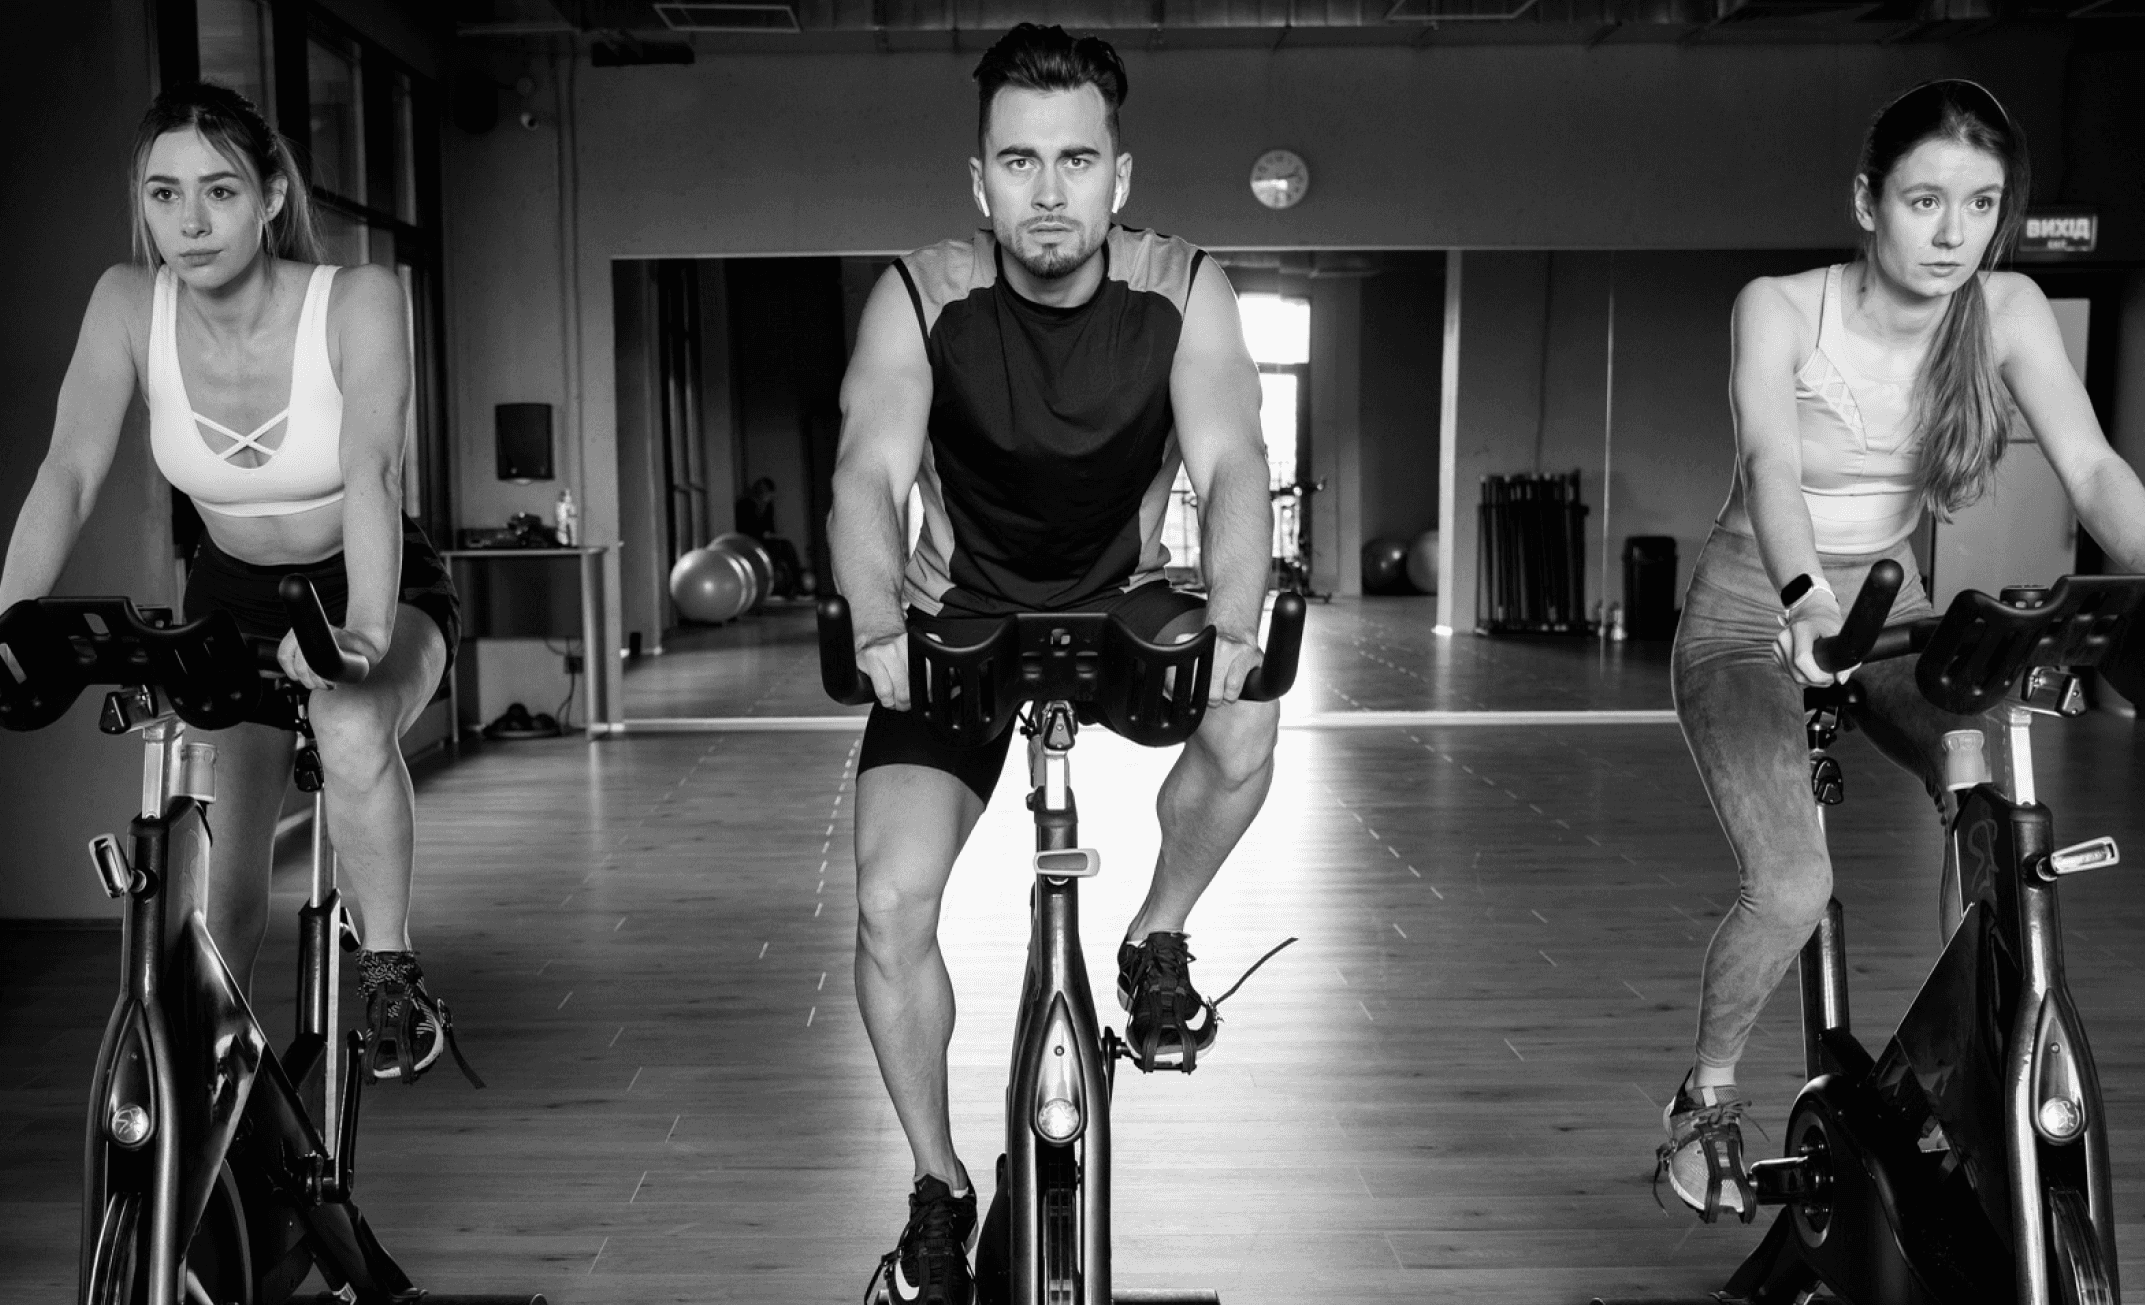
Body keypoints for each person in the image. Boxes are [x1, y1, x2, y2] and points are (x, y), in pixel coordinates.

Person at [828, 24, 1278, 1303]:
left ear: (1118, 178)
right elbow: (868, 468)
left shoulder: (1183, 285)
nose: (1048, 191)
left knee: (1250, 725)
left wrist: (1236, 625)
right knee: (887, 904)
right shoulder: (922, 295)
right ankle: (937, 1185)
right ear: (980, 183)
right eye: (1018, 162)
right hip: (959, 625)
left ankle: (1153, 939)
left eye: (1075, 160)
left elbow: (1234, 459)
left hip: (1119, 610)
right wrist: (873, 627)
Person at [1658, 79, 2145, 1221]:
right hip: (1753, 610)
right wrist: (1803, 600)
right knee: (1792, 882)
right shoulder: (1779, 306)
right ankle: (1706, 1101)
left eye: (1980, 204)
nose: (1952, 232)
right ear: (1869, 201)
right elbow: (1772, 468)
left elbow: (2094, 472)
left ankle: (1971, 1073)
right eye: (1925, 200)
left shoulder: (2007, 308)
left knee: (1988, 795)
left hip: (1894, 606)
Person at [0, 83, 474, 1086]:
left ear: (268, 196)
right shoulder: (128, 303)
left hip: (370, 577)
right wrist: (6, 620)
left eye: (218, 191)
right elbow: (68, 471)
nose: (190, 222)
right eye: (164, 195)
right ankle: (217, 1091)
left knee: (349, 728)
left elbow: (375, 474)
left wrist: (363, 631)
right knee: (220, 893)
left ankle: (391, 976)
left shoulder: (358, 297)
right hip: (232, 599)